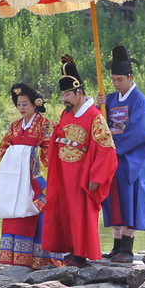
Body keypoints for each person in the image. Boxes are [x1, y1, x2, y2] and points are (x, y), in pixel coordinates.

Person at [41, 55, 118, 266]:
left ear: (79, 92)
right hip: (64, 172)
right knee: (65, 212)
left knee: (80, 213)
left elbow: (106, 148)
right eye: (62, 94)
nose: (64, 98)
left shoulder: (94, 116)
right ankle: (71, 249)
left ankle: (81, 254)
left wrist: (97, 175)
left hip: (83, 174)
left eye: (67, 94)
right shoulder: (67, 113)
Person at [0, 83, 66, 269]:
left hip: (35, 181)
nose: (21, 108)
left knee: (38, 215)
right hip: (16, 179)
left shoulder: (46, 125)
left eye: (25, 104)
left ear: (35, 104)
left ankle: (41, 258)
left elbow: (50, 151)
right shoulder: (14, 126)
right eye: (19, 104)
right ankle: (15, 256)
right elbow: (2, 149)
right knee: (14, 212)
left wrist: (29, 155)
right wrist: (12, 157)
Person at [101, 45, 145, 263]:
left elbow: (139, 132)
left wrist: (115, 147)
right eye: (113, 80)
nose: (116, 84)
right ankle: (116, 245)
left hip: (129, 158)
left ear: (130, 77)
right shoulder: (111, 99)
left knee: (129, 200)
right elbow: (104, 125)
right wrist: (99, 108)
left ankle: (128, 249)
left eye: (120, 80)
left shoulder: (139, 100)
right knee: (114, 199)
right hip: (113, 157)